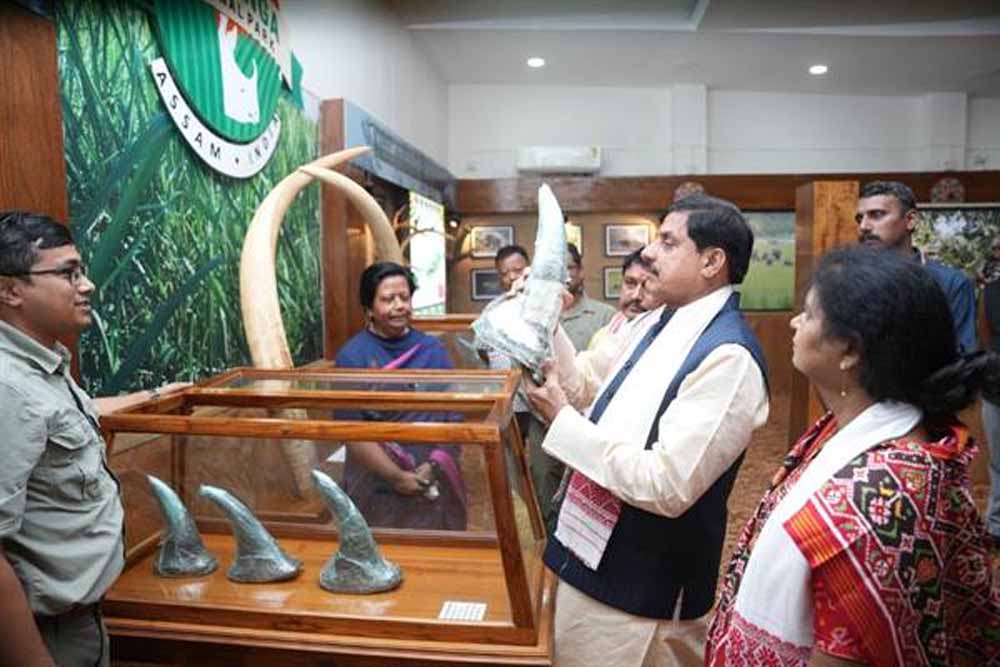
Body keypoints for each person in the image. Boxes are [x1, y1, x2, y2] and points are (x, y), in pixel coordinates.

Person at [706, 245, 1000, 666]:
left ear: (849, 350)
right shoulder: (850, 429)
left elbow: (847, 650)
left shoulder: (881, 494)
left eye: (809, 315)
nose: (793, 322)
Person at [526, 195, 770, 666]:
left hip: (639, 591)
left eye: (668, 242)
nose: (650, 252)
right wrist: (548, 319)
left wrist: (562, 423)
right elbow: (586, 386)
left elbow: (668, 484)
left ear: (712, 262)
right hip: (586, 550)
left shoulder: (729, 357)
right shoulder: (655, 320)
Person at [0, 210, 185, 667]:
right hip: (45, 637)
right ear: (10, 290)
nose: (87, 285)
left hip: (80, 622)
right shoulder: (8, 387)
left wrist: (154, 396)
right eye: (68, 273)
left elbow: (59, 421)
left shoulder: (39, 365)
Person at [336, 261, 466, 531]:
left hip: (431, 480)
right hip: (377, 486)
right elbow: (350, 430)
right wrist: (396, 477)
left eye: (404, 298)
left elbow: (454, 417)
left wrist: (433, 465)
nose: (399, 306)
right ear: (369, 308)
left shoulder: (433, 350)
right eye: (388, 299)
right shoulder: (352, 356)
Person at [856, 180, 977, 354]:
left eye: (877, 215)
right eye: (860, 218)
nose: (863, 227)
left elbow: (964, 356)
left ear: (911, 220)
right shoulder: (852, 281)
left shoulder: (950, 283)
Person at [586, 248, 654, 351]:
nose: (636, 296)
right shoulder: (602, 337)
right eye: (630, 283)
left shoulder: (668, 340)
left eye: (647, 286)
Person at [560, 242, 615, 351]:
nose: (562, 274)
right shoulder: (535, 317)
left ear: (580, 271)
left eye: (569, 268)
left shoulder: (605, 316)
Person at [982, 236, 1000, 547]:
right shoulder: (990, 293)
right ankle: (997, 526)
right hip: (997, 390)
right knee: (998, 461)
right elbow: (984, 338)